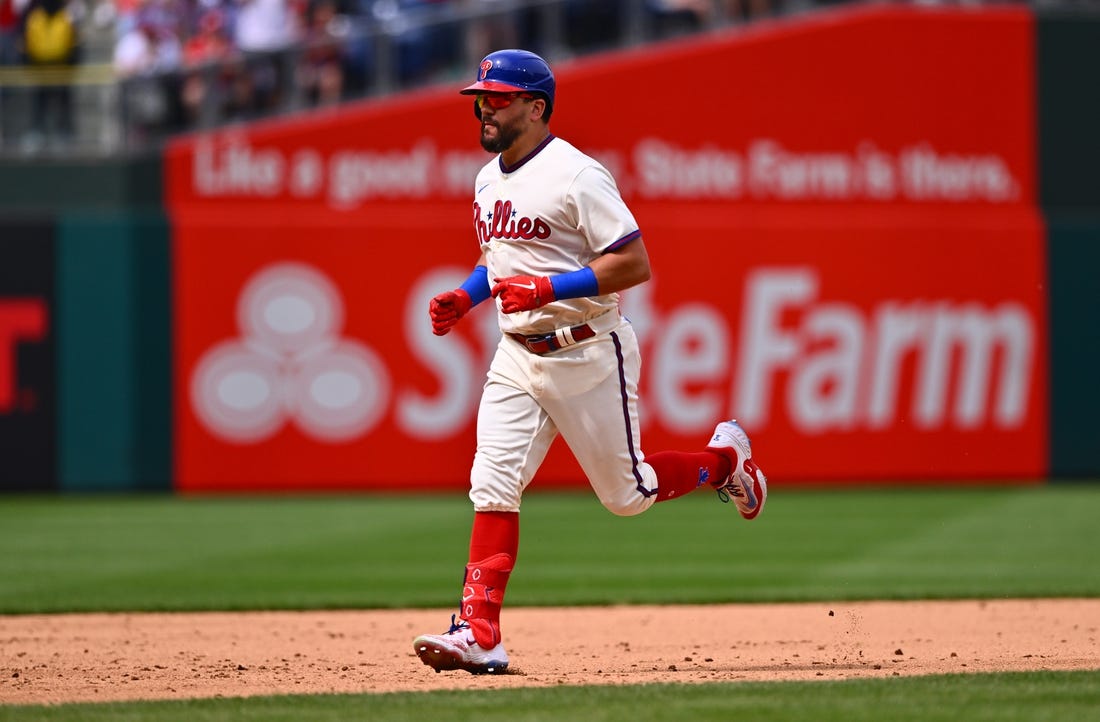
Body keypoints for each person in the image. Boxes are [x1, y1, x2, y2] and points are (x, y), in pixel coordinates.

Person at [413, 48, 768, 675]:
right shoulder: (487, 178)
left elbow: (633, 263)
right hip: (516, 353)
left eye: (496, 97)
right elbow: (498, 260)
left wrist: (550, 289)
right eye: (480, 97)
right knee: (492, 484)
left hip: (587, 349)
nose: (484, 107)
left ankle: (726, 459)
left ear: (535, 106)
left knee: (627, 495)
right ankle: (479, 629)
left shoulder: (578, 175)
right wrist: (466, 297)